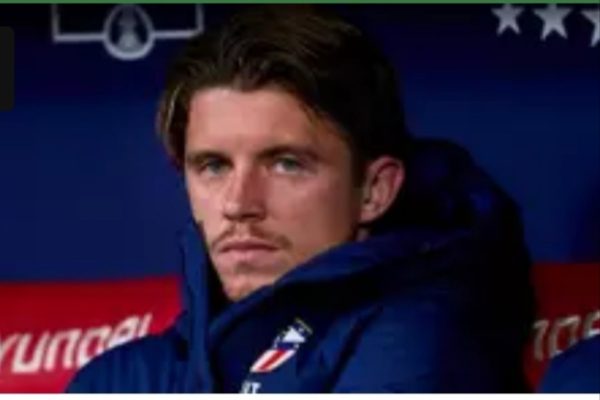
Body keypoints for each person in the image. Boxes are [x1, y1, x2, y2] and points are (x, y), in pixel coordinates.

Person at [67, 5, 534, 393]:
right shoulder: (121, 379)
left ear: (375, 191)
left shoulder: (421, 344)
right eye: (213, 166)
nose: (238, 204)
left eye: (286, 164)